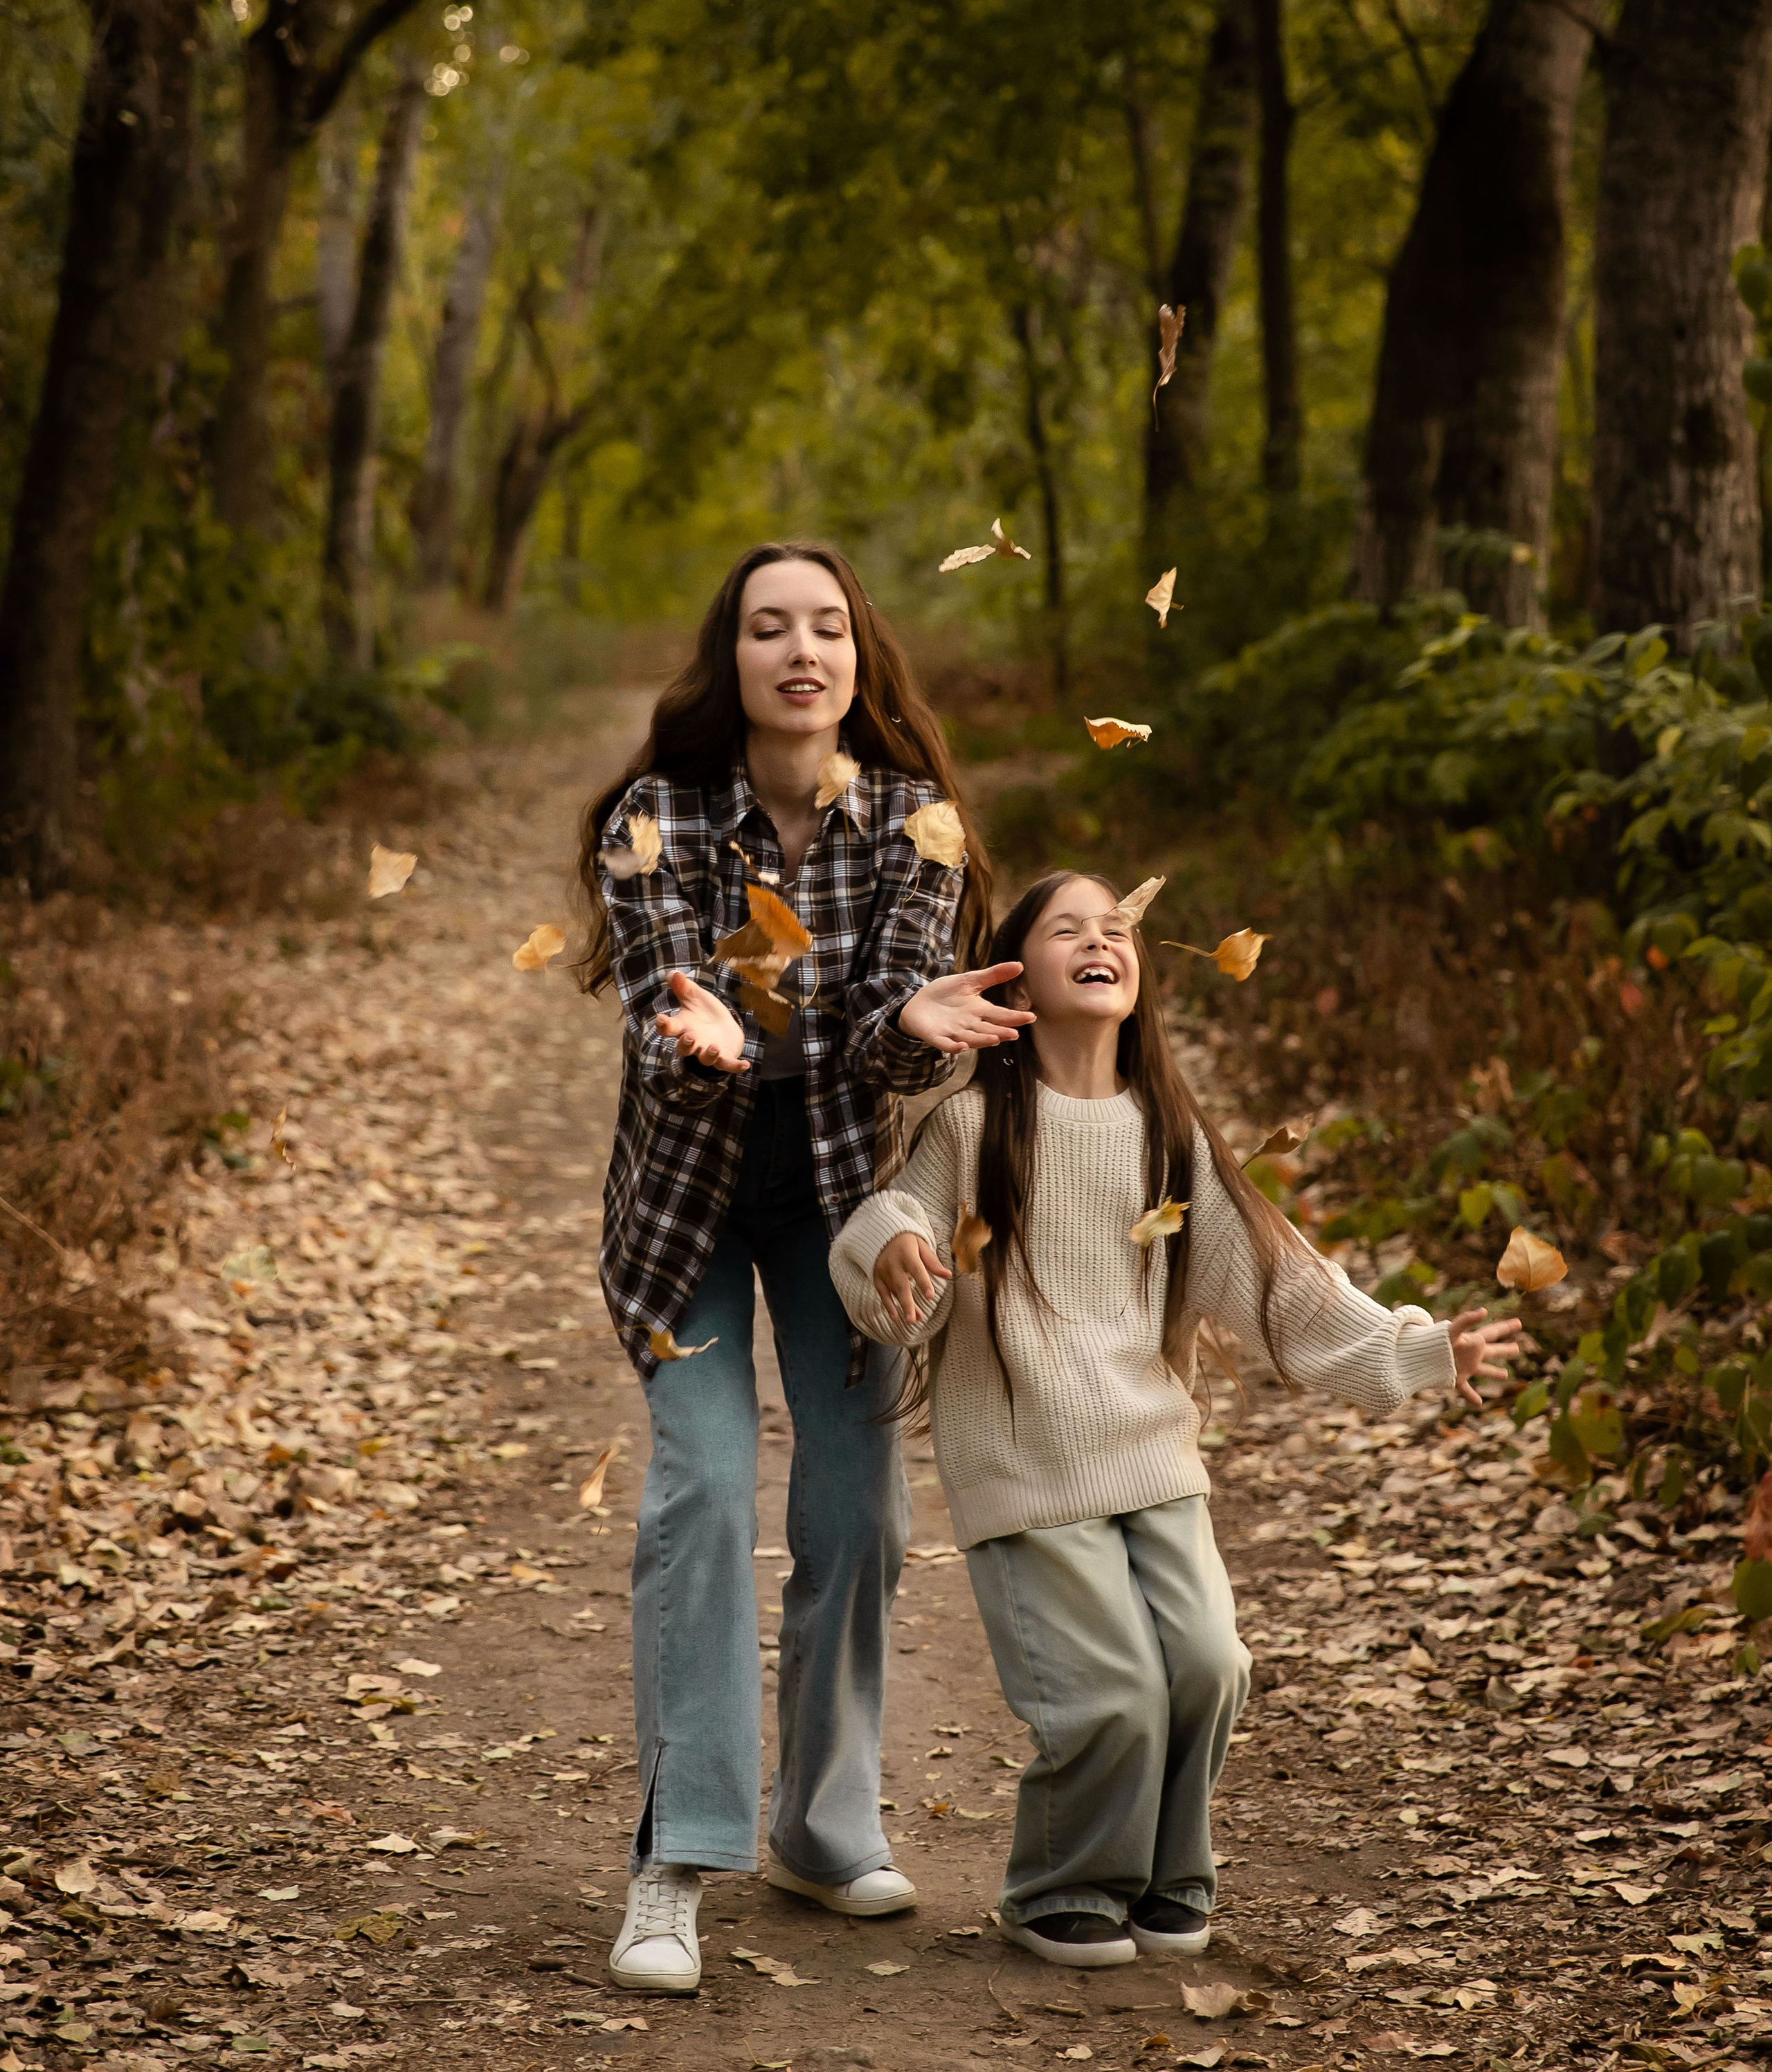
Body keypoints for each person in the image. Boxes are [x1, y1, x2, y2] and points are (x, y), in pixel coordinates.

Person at [829, 870, 1521, 1968]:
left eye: (1119, 930)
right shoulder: (972, 1124)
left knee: (1208, 1667)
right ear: (1016, 979)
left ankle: (1167, 1878)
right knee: (1110, 1698)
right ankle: (1063, 1885)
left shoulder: (1173, 1137)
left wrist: (1412, 1348)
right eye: (1069, 930)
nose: (1102, 941)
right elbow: (892, 1216)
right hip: (1026, 1459)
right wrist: (892, 1249)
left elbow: (1279, 1279)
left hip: (1150, 1455)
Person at [577, 541, 1031, 1993]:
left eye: (826, 626)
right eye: (769, 627)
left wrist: (919, 1025)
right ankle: (678, 1857)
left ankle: (824, 1829)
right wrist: (691, 1029)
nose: (801, 649)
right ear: (734, 661)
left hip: (843, 1207)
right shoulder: (658, 816)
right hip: (687, 1202)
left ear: (855, 656)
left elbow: (879, 1026)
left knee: (856, 1514)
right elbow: (663, 989)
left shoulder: (913, 820)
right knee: (702, 1493)